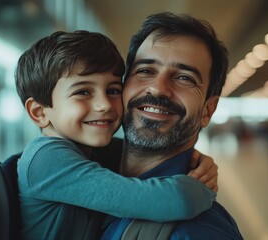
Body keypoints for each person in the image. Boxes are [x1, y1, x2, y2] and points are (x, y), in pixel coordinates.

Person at [14, 30, 220, 239]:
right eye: (83, 92)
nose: (104, 105)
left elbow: (130, 150)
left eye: (113, 90)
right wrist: (200, 190)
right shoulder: (47, 160)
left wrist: (196, 161)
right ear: (39, 112)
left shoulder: (88, 151)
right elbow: (167, 201)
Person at [102, 12, 243, 239]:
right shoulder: (87, 168)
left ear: (207, 110)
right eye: (145, 70)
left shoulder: (199, 231)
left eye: (184, 77)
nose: (158, 89)